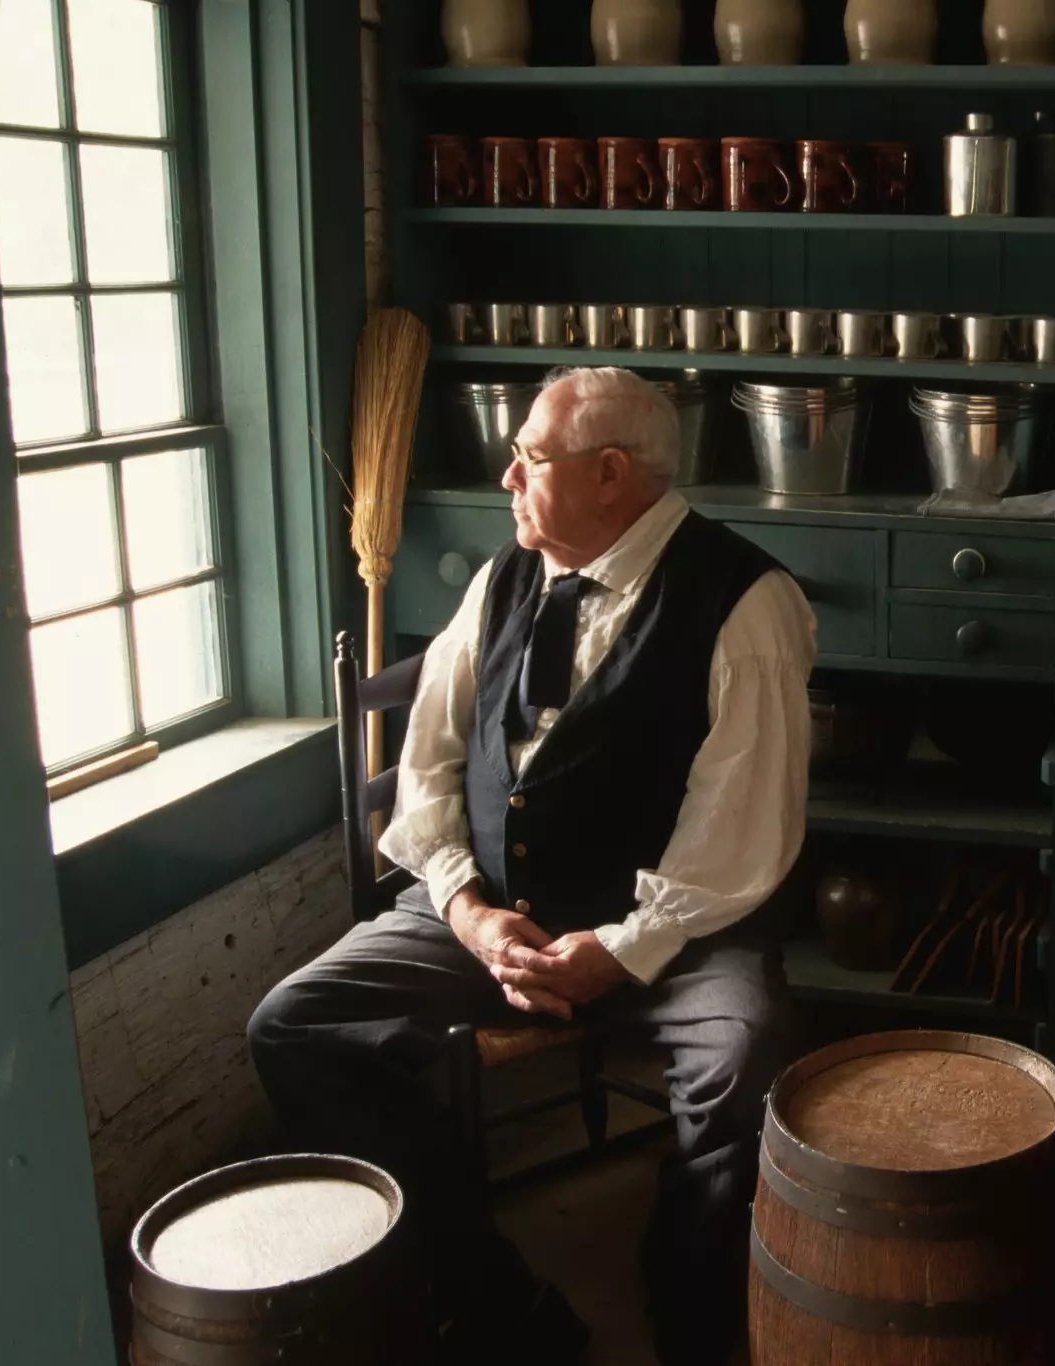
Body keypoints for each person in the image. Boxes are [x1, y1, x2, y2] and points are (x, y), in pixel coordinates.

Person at [248, 366, 815, 1366]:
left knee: (743, 1059)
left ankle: (689, 1299)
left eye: (530, 457)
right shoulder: (507, 573)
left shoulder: (745, 602)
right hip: (494, 908)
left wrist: (622, 948)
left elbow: (740, 828)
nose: (507, 475)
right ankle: (488, 1293)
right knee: (296, 1023)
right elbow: (425, 756)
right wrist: (466, 908)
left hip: (677, 929)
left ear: (608, 473)